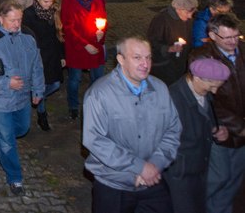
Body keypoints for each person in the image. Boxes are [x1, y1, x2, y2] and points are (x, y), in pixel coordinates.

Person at [83, 36, 181, 213]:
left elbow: (173, 129)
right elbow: (95, 141)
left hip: (152, 181)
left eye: (148, 57)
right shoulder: (100, 94)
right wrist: (140, 167)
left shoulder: (160, 89)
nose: (145, 63)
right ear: (120, 59)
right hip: (114, 185)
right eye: (137, 58)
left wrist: (155, 164)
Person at [0, 0, 45, 196]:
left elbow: (37, 64)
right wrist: (6, 83)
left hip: (22, 96)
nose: (17, 24)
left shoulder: (28, 35)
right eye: (12, 20)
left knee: (21, 129)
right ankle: (15, 177)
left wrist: (38, 89)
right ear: (1, 19)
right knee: (7, 141)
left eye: (19, 19)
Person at [189, 13, 245, 213]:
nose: (233, 42)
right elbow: (206, 99)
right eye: (227, 38)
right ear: (212, 35)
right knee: (218, 177)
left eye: (236, 36)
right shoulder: (202, 57)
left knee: (235, 177)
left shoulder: (242, 50)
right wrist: (236, 126)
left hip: (241, 131)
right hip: (220, 130)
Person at [164, 58, 231, 213]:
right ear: (197, 77)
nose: (214, 91)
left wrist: (217, 131)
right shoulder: (173, 98)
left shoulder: (203, 92)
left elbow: (206, 121)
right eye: (211, 86)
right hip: (179, 173)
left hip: (198, 169)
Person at [61, 0, 106, 119]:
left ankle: (95, 103)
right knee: (75, 79)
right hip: (77, 49)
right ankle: (73, 106)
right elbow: (69, 29)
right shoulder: (71, 4)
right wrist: (85, 45)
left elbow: (103, 19)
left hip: (95, 46)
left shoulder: (97, 2)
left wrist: (101, 33)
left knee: (98, 78)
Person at [22, 0, 65, 131]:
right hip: (38, 56)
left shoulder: (54, 12)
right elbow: (26, 38)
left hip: (52, 55)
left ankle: (35, 97)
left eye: (51, 1)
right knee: (41, 84)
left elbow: (58, 35)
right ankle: (42, 114)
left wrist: (62, 56)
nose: (49, 5)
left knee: (55, 84)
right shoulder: (28, 14)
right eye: (46, 1)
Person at [147, 0, 198, 86]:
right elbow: (152, 42)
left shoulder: (188, 19)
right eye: (188, 12)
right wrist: (168, 48)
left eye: (192, 13)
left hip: (182, 63)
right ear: (179, 9)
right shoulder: (161, 19)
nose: (190, 16)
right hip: (165, 66)